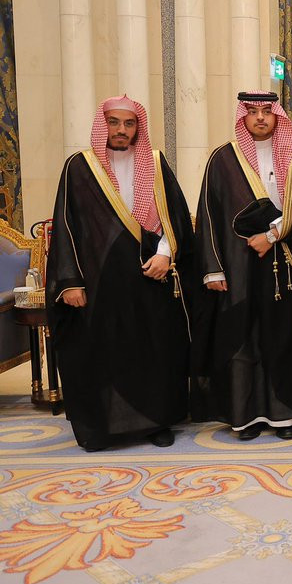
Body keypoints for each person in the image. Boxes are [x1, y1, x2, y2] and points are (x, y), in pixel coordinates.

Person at [46, 96, 194, 451]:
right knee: (105, 353)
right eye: (114, 122)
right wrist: (70, 281)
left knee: (154, 351)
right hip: (100, 282)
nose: (121, 130)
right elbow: (66, 226)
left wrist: (165, 255)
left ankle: (157, 422)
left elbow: (176, 216)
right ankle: (105, 428)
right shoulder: (80, 167)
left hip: (150, 279)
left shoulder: (155, 163)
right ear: (103, 125)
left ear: (138, 127)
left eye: (129, 123)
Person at [190, 92, 292, 440]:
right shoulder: (222, 159)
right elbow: (209, 214)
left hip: (283, 268)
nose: (260, 118)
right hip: (237, 268)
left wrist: (273, 235)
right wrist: (213, 268)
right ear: (242, 116)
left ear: (277, 116)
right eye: (253, 111)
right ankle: (245, 418)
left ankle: (285, 416)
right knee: (242, 343)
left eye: (267, 111)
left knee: (282, 339)